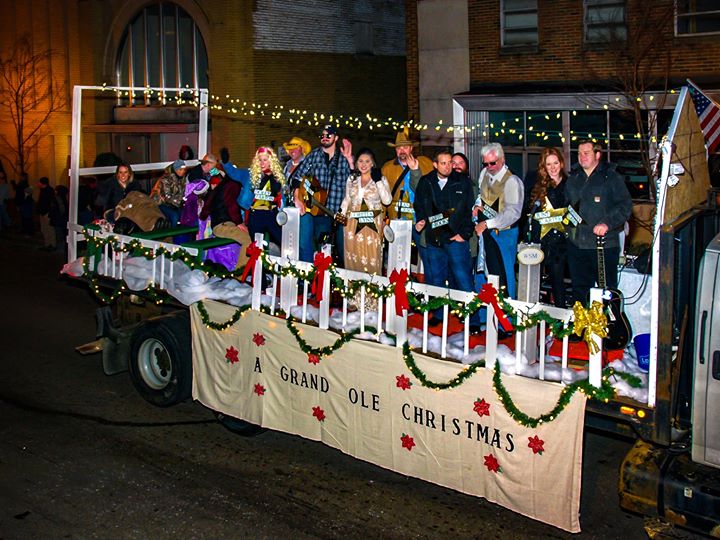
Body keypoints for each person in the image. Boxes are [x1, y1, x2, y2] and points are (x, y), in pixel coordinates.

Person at [565, 140, 632, 305]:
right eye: (579, 153)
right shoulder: (573, 179)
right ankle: (581, 328)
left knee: (607, 292)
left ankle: (608, 327)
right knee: (579, 292)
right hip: (577, 245)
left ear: (597, 155)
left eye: (586, 153)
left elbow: (625, 206)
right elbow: (566, 208)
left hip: (603, 245)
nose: (582, 157)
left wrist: (607, 223)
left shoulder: (611, 177)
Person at [414, 149, 476, 316]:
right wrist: (421, 220)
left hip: (456, 239)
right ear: (435, 165)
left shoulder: (463, 182)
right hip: (434, 239)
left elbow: (470, 211)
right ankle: (438, 314)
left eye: (450, 162)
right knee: (436, 280)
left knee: (464, 280)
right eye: (444, 163)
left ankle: (473, 319)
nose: (448, 166)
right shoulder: (426, 182)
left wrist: (464, 234)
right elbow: (419, 204)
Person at [294, 125, 354, 263]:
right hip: (317, 212)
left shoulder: (344, 158)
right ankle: (312, 280)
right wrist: (297, 197)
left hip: (337, 214)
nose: (325, 138)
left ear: (336, 137)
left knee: (340, 253)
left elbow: (354, 184)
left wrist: (350, 161)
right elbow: (297, 177)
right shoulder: (314, 155)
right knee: (316, 249)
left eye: (329, 135)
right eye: (322, 135)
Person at [474, 143, 524, 299]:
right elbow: (480, 196)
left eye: (493, 163)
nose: (489, 167)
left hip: (504, 234)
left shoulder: (512, 181)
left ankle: (506, 319)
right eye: (486, 163)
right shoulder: (484, 174)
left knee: (504, 275)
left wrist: (487, 224)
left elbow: (513, 214)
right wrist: (477, 206)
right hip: (484, 231)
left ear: (502, 159)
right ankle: (484, 317)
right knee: (482, 274)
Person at [527, 147, 569, 308]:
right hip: (541, 240)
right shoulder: (538, 187)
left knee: (558, 282)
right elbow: (532, 214)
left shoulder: (570, 185)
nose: (552, 167)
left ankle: (560, 320)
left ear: (562, 163)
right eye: (548, 164)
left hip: (562, 243)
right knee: (534, 281)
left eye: (555, 163)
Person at [340, 148, 392, 275]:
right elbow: (347, 199)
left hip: (372, 225)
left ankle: (372, 293)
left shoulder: (381, 178)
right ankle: (353, 293)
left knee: (371, 258)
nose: (363, 164)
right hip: (352, 225)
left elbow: (387, 201)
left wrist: (378, 181)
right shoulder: (351, 179)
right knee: (352, 258)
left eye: (367, 161)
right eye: (360, 161)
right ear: (357, 163)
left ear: (372, 163)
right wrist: (341, 214)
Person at [198, 171, 252, 271]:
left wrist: (203, 215)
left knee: (250, 236)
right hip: (223, 224)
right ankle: (239, 275)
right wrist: (239, 222)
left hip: (220, 224)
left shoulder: (224, 184)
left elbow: (208, 205)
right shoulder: (233, 185)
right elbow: (231, 204)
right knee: (249, 240)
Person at [246, 147, 286, 247]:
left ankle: (286, 262)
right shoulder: (253, 176)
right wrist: (226, 163)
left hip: (272, 214)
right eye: (260, 160)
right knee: (256, 246)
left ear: (270, 161)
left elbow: (282, 196)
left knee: (283, 242)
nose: (262, 163)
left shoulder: (278, 177)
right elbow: (234, 173)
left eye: (265, 160)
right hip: (256, 214)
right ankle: (258, 262)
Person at [150, 159, 188, 225]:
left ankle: (182, 234)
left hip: (174, 204)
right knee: (174, 216)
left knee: (185, 214)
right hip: (161, 203)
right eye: (180, 169)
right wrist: (180, 201)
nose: (183, 172)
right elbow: (166, 196)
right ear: (175, 170)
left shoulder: (182, 179)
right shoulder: (165, 179)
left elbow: (182, 193)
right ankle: (171, 234)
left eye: (184, 169)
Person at [37, 177, 57, 250]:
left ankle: (52, 244)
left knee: (49, 228)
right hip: (43, 212)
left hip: (46, 213)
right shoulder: (44, 190)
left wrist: (47, 212)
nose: (38, 184)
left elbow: (48, 203)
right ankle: (47, 243)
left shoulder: (48, 191)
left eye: (39, 182)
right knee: (44, 229)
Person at [0, 170, 11, 234]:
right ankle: (7, 224)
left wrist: (5, 200)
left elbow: (5, 195)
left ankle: (8, 224)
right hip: (2, 203)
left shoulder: (5, 186)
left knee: (3, 214)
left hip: (2, 203)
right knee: (3, 214)